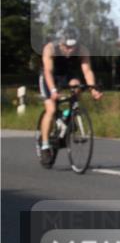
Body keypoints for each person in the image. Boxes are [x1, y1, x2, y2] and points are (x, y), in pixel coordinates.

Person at [38, 28, 103, 166]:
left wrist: (93, 90)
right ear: (60, 43)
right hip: (49, 77)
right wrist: (53, 90)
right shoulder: (50, 48)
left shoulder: (82, 50)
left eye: (72, 47)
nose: (69, 50)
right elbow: (48, 72)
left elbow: (87, 70)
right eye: (66, 47)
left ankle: (70, 114)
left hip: (66, 75)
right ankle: (44, 145)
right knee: (51, 109)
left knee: (77, 85)